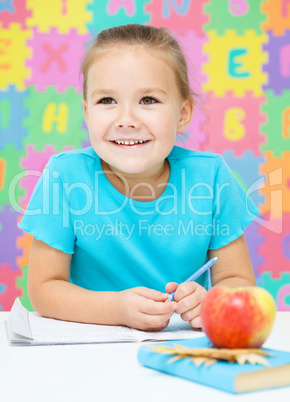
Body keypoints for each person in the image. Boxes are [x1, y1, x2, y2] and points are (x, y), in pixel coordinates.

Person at [18, 24, 258, 331]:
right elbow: (44, 289)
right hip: (90, 352)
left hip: (180, 345)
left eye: (148, 100)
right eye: (107, 101)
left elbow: (238, 281)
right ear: (87, 112)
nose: (127, 120)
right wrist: (116, 309)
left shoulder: (211, 176)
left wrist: (214, 302)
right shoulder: (64, 175)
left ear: (183, 113)